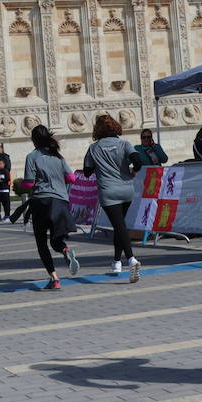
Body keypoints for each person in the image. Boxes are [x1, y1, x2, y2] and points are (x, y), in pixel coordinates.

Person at [83, 114, 144, 281]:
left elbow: (87, 171)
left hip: (108, 191)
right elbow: (138, 160)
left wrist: (99, 166)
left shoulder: (93, 148)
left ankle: (131, 259)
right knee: (120, 226)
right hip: (126, 189)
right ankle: (117, 261)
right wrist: (133, 171)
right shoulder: (124, 144)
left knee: (119, 226)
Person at [21, 125, 80, 290]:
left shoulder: (32, 156)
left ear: (33, 140)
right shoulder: (58, 156)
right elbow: (72, 178)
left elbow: (29, 183)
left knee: (41, 243)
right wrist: (58, 181)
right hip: (60, 201)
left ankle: (54, 279)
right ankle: (65, 250)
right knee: (56, 239)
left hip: (41, 202)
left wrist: (25, 184)